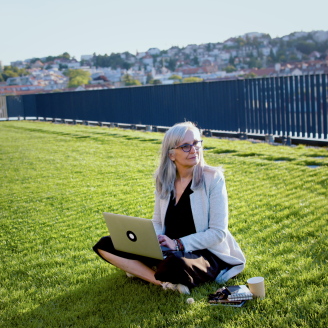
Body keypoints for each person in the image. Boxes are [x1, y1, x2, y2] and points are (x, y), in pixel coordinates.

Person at [93, 122, 245, 294]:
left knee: (175, 265)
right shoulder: (163, 179)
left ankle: (148, 270)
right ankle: (164, 283)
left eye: (196, 143)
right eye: (186, 146)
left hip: (204, 252)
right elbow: (158, 221)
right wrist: (154, 240)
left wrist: (178, 244)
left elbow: (218, 233)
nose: (194, 149)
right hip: (168, 249)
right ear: (171, 154)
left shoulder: (213, 178)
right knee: (106, 244)